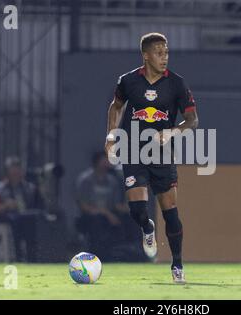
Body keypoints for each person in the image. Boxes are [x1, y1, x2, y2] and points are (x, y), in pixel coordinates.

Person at [104, 32, 199, 284]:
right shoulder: (128, 81)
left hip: (162, 155)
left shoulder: (177, 84)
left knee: (170, 213)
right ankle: (147, 228)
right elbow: (116, 106)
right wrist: (111, 137)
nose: (164, 57)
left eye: (166, 52)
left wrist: (173, 131)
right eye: (158, 52)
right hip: (134, 151)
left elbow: (192, 119)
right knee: (136, 209)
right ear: (146, 55)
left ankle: (177, 265)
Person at [75, 151, 138, 261]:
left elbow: (116, 204)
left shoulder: (112, 181)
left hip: (109, 216)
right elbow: (84, 206)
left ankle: (132, 253)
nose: (107, 163)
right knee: (98, 221)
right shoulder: (86, 180)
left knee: (130, 219)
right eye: (104, 160)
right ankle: (99, 255)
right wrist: (107, 214)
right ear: (97, 162)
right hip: (89, 217)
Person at [0, 156, 43, 262]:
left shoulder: (30, 189)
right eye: (13, 173)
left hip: (27, 220)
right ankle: (17, 256)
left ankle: (34, 257)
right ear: (7, 173)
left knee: (33, 220)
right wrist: (4, 206)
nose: (16, 175)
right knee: (15, 220)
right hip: (6, 219)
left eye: (18, 172)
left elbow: (39, 208)